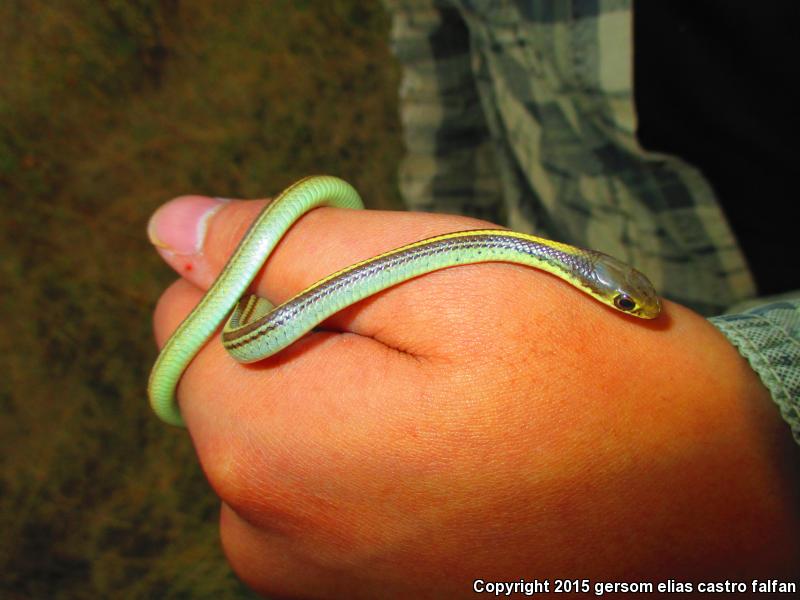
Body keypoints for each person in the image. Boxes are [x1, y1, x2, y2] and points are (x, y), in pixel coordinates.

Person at [147, 1, 800, 597]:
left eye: (627, 303)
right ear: (595, 279)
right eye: (628, 302)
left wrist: (767, 437)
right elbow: (441, 54)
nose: (634, 308)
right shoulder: (536, 251)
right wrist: (427, 213)